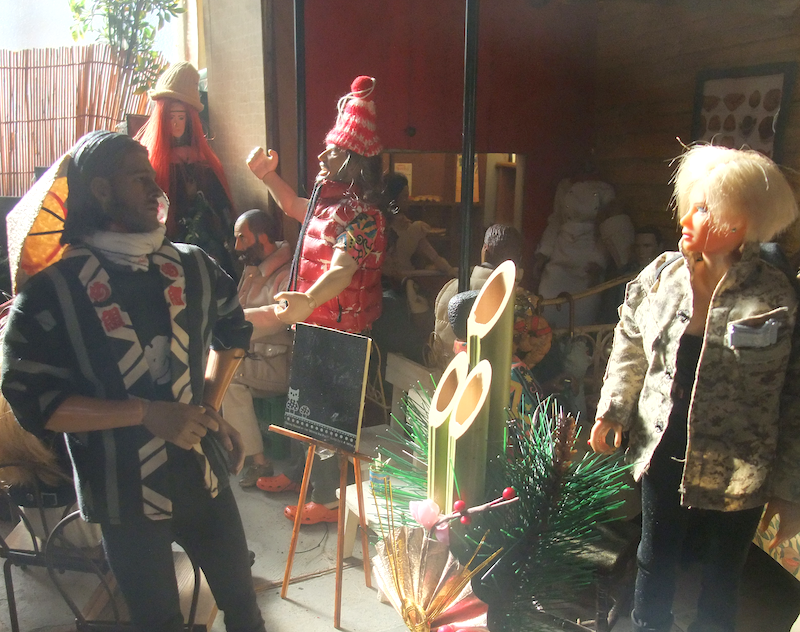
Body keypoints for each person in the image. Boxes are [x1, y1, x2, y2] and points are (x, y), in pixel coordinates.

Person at [0, 131, 265, 632]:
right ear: (101, 190)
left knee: (244, 608)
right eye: (139, 178)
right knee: (156, 622)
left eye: (152, 177)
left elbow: (234, 330)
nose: (155, 189)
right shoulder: (51, 291)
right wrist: (146, 413)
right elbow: (32, 399)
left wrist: (208, 405)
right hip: (120, 498)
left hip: (204, 480)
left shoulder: (194, 265)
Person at [590, 144, 800, 632]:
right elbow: (631, 340)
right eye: (690, 203)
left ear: (739, 223)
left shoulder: (773, 296)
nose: (687, 218)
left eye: (704, 208)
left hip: (742, 463)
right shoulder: (661, 277)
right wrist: (613, 408)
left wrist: (789, 489)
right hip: (664, 445)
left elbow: (793, 396)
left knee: (724, 571)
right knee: (655, 556)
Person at [246, 75, 387, 525]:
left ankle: (328, 501)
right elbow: (291, 204)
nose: (323, 157)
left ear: (355, 163)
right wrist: (267, 176)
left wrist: (307, 299)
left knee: (329, 418)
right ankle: (299, 476)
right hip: (313, 322)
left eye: (334, 151)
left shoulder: (364, 217)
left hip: (342, 332)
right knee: (302, 407)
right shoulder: (327, 206)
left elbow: (342, 271)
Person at [135, 61, 237, 278]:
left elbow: (220, 201)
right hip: (171, 238)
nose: (176, 124)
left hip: (206, 237)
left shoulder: (203, 161)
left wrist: (229, 227)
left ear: (190, 119)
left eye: (181, 117)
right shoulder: (154, 164)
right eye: (170, 117)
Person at [221, 208, 293, 488]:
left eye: (242, 238)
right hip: (254, 354)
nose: (237, 246)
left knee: (227, 378)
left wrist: (235, 322)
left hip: (278, 363)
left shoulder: (286, 274)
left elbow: (280, 316)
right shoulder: (253, 269)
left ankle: (258, 461)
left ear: (262, 237)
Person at [530, 171, 616, 328]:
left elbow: (607, 228)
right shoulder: (564, 186)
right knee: (549, 297)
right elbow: (556, 220)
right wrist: (543, 254)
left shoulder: (605, 190)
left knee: (583, 302)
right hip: (561, 252)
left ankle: (578, 339)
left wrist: (599, 262)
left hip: (588, 254)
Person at [433, 223, 524, 366]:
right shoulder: (517, 299)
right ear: (518, 260)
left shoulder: (450, 287)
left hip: (448, 372)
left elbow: (437, 345)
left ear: (485, 250)